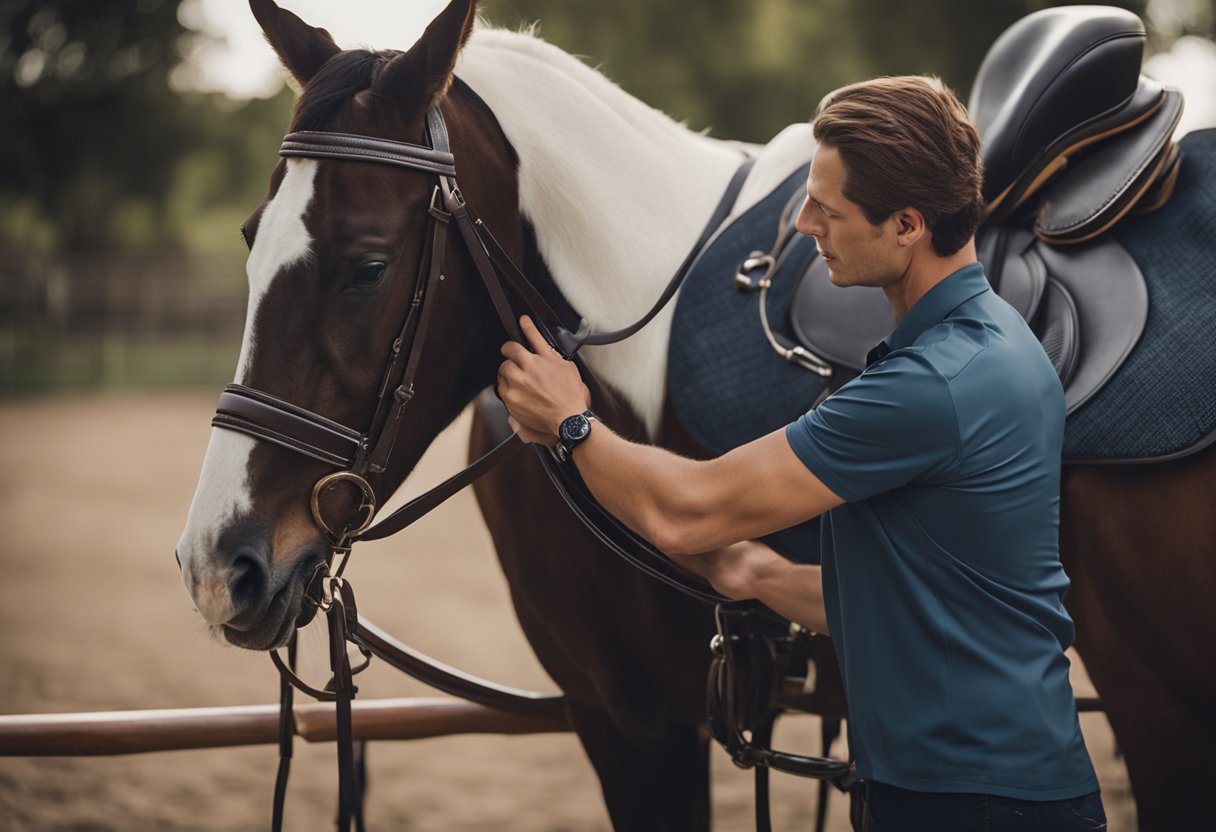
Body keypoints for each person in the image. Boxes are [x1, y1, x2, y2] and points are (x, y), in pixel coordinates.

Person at [496, 75, 1105, 831]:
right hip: (994, 788)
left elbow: (687, 511)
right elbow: (929, 598)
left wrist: (572, 423)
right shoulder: (992, 344)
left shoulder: (929, 386)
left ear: (908, 224)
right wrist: (752, 571)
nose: (801, 220)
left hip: (969, 803)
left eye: (828, 206)